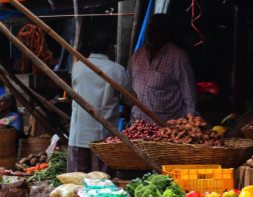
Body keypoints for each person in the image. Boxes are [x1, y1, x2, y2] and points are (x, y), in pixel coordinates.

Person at [68, 29, 133, 174]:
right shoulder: (117, 70)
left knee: (76, 182)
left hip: (79, 133)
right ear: (110, 48)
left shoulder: (78, 67)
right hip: (104, 137)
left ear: (90, 45)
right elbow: (129, 99)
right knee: (100, 182)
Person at [128, 14, 197, 123]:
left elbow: (190, 100)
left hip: (165, 130)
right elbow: (129, 90)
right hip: (137, 127)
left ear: (166, 32)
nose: (151, 32)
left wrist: (187, 125)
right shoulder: (137, 55)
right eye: (150, 28)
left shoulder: (179, 57)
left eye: (157, 29)